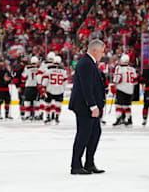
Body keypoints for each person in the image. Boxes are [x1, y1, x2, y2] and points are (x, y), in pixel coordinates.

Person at [69, 39, 106, 175]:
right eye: (102, 51)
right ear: (95, 51)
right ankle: (76, 165)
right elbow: (86, 87)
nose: (103, 54)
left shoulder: (90, 63)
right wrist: (92, 106)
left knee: (95, 133)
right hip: (84, 107)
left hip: (90, 106)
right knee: (83, 135)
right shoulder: (85, 64)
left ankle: (89, 163)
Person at [111, 54, 138, 126]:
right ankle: (129, 119)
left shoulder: (119, 68)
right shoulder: (132, 69)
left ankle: (118, 119)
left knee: (118, 105)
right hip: (130, 90)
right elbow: (135, 81)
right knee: (127, 105)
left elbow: (117, 79)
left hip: (121, 89)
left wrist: (114, 85)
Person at [41, 56, 68, 125]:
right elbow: (65, 81)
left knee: (47, 104)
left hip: (50, 88)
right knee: (58, 104)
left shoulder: (48, 69)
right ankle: (57, 118)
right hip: (59, 89)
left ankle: (47, 117)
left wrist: (43, 86)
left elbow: (46, 79)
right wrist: (63, 88)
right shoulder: (63, 70)